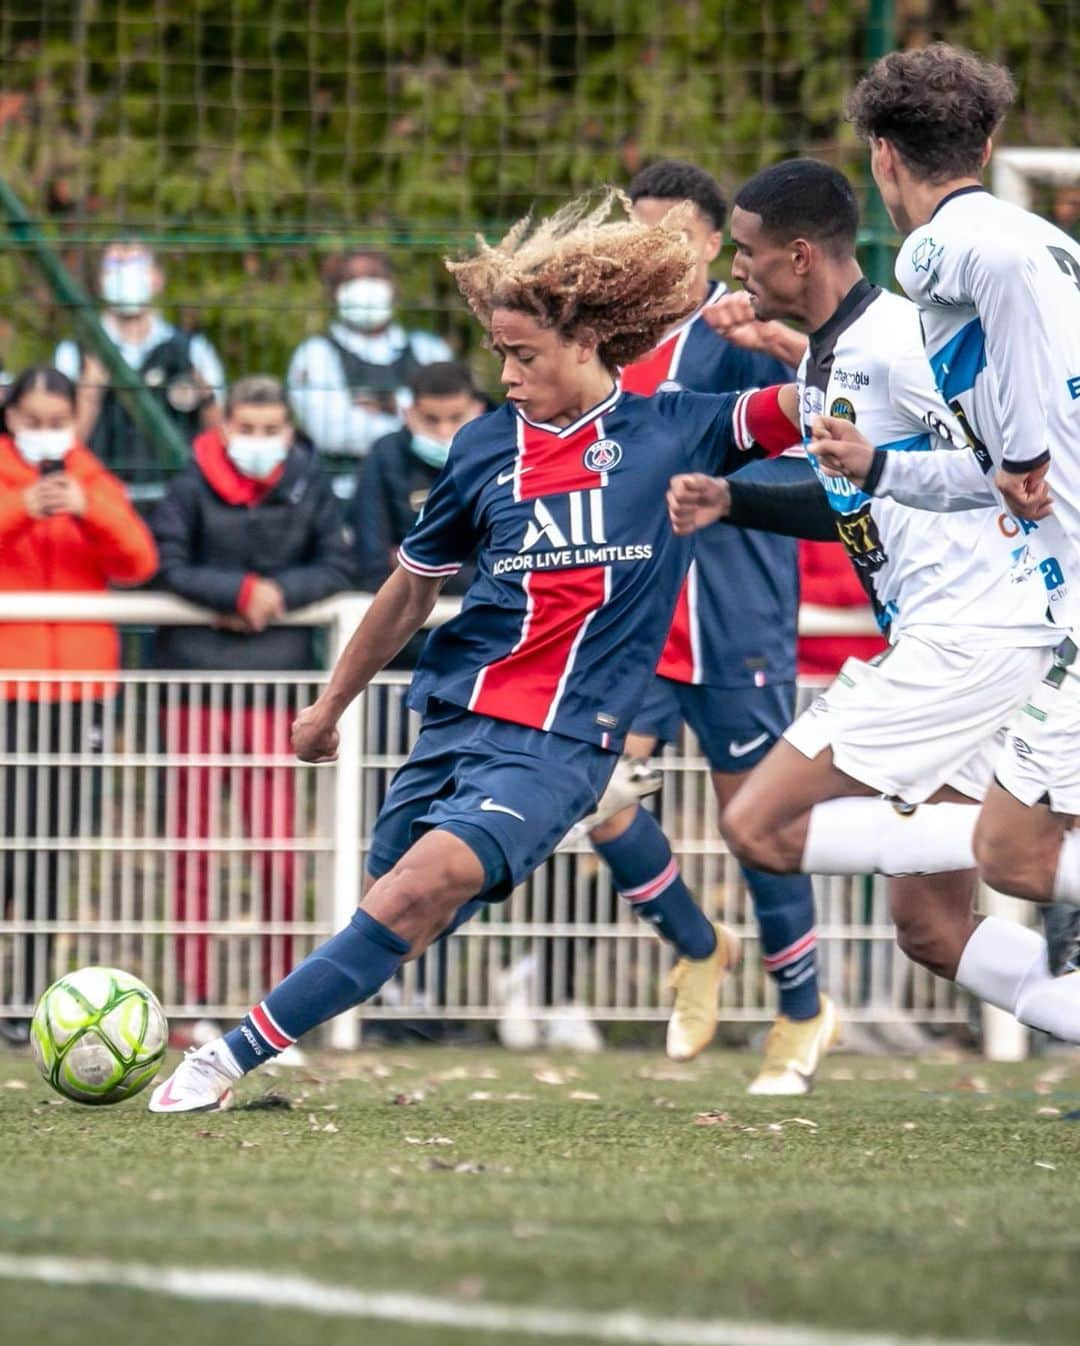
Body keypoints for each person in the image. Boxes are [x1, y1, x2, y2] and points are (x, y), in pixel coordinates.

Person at [148, 189, 784, 1112]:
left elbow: (823, 403)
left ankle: (222, 1058)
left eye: (523, 356)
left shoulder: (675, 426)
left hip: (566, 736)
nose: (509, 374)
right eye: (500, 354)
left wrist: (791, 339)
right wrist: (332, 706)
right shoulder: (483, 447)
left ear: (586, 343)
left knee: (419, 888)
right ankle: (633, 894)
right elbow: (411, 590)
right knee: (396, 915)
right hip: (455, 716)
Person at [666, 159, 1080, 1053]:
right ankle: (1035, 860)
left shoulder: (898, 343)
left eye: (747, 253)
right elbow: (861, 499)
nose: (738, 270)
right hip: (969, 637)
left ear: (802, 256)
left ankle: (1043, 845)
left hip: (969, 637)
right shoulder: (831, 355)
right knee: (929, 927)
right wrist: (733, 500)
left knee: (758, 825)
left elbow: (1005, 466)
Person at [821, 45, 1080, 980]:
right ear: (991, 138)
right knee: (1018, 849)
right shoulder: (1043, 247)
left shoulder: (942, 246)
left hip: (1067, 609)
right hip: (1060, 598)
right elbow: (993, 469)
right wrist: (884, 467)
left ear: (883, 154)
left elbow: (1015, 456)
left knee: (1012, 854)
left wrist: (1019, 458)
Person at [572, 159, 831, 1093]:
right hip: (635, 614)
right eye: (637, 235)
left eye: (674, 236)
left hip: (733, 616)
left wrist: (780, 340)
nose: (654, 253)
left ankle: (802, 1010)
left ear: (716, 244)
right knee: (592, 793)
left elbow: (825, 418)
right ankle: (697, 943)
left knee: (753, 825)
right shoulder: (606, 337)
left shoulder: (743, 327)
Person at [151, 375, 357, 1017]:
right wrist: (235, 592)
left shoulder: (308, 484)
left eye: (271, 431)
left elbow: (338, 565)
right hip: (194, 686)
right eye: (246, 429)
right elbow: (165, 563)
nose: (259, 442)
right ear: (223, 427)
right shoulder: (188, 486)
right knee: (193, 850)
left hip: (276, 690)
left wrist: (277, 597)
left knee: (278, 855)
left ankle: (278, 1002)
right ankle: (194, 1000)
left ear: (290, 433)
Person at [0, 365, 157, 1043]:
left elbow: (138, 560)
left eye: (54, 419)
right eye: (30, 420)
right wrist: (20, 510)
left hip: (78, 691)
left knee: (52, 845)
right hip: (10, 684)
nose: (44, 433)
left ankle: (28, 995)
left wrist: (86, 510)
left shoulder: (91, 477)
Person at [54, 240, 225, 492]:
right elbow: (61, 446)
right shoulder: (74, 353)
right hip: (98, 499)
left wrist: (205, 397)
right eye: (114, 265)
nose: (125, 274)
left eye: (136, 264)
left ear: (158, 279)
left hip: (175, 499)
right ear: (100, 282)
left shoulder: (193, 350)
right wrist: (89, 393)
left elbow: (222, 437)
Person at [350, 360, 483, 662]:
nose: (444, 431)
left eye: (456, 418)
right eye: (431, 420)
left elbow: (507, 570)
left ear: (477, 411)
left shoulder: (504, 458)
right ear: (408, 415)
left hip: (479, 635)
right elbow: (370, 566)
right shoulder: (384, 457)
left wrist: (414, 563)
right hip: (399, 644)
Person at [286, 249, 452, 476]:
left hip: (425, 481)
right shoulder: (315, 353)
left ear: (393, 287)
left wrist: (388, 406)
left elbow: (456, 421)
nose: (364, 287)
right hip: (345, 487)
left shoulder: (429, 349)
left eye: (374, 276)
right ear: (334, 292)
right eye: (351, 279)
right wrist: (413, 415)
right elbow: (331, 433)